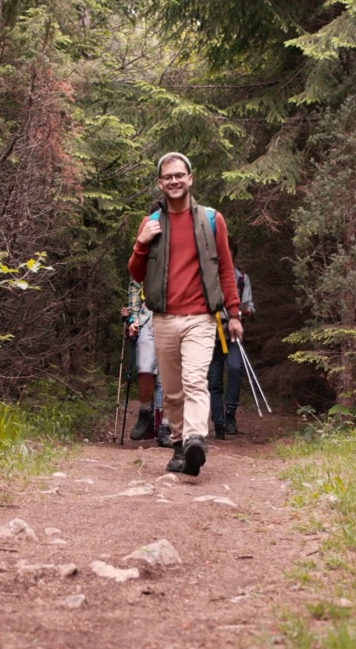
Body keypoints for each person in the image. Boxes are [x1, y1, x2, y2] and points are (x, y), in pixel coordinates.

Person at [128, 152, 242, 478]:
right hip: (163, 319)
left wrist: (233, 313)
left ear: (190, 179)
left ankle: (195, 439)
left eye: (180, 175)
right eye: (168, 177)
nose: (175, 181)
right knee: (174, 390)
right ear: (161, 183)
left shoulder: (211, 219)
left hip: (201, 318)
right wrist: (141, 242)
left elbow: (226, 268)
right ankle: (180, 444)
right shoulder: (151, 223)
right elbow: (136, 274)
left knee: (195, 380)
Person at [123, 280, 174, 447]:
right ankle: (145, 412)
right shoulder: (146, 261)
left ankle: (166, 426)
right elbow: (135, 287)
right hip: (147, 320)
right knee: (145, 367)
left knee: (168, 374)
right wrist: (132, 319)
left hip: (173, 320)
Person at [209, 268, 255, 438]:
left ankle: (230, 414)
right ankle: (218, 423)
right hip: (211, 337)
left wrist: (241, 312)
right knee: (214, 379)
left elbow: (249, 306)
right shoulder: (207, 274)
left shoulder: (241, 278)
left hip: (233, 336)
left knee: (235, 369)